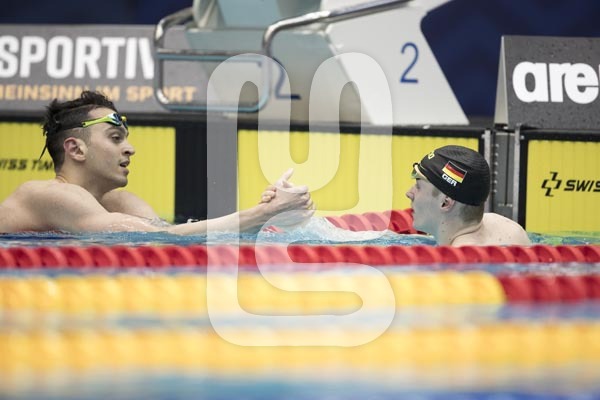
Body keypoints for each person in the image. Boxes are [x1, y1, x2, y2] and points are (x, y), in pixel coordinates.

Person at [0, 91, 313, 234]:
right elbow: (165, 240)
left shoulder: (120, 202)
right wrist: (260, 214)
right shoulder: (47, 194)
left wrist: (270, 219)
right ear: (76, 149)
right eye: (115, 138)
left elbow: (172, 238)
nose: (130, 149)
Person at [406, 145, 531, 246]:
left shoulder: (456, 264)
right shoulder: (512, 230)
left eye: (418, 186)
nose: (409, 193)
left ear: (445, 203)